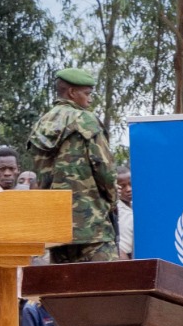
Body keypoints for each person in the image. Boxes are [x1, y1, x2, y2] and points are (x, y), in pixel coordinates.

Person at [28, 66, 121, 263]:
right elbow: (105, 170)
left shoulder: (40, 124)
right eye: (87, 93)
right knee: (108, 287)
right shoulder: (85, 120)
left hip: (57, 226)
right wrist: (112, 201)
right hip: (92, 226)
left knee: (64, 289)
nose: (90, 99)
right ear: (72, 93)